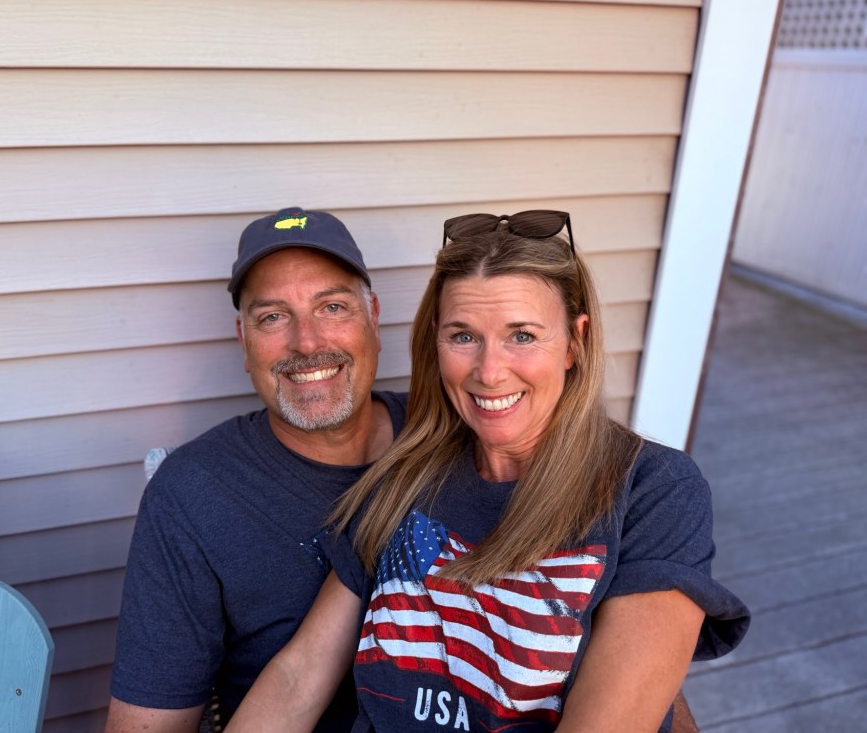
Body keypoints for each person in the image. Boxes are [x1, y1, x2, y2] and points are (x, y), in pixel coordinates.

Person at [224, 211, 750, 733]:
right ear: (435, 341)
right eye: (463, 336)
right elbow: (298, 677)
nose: (490, 371)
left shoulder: (651, 491)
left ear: (575, 341)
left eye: (522, 335)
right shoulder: (407, 475)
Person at [105, 208, 407, 733]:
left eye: (332, 307)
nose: (307, 342)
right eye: (272, 317)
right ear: (244, 342)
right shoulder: (193, 496)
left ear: (373, 318)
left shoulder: (451, 437)